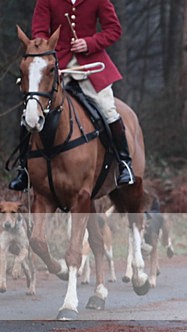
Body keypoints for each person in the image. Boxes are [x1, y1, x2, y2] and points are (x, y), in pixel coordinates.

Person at [10, 0, 134, 191]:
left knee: (108, 109)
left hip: (91, 65)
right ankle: (24, 169)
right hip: (57, 65)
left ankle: (124, 163)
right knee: (32, 109)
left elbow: (114, 29)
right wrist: (45, 49)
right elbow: (40, 33)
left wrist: (89, 43)